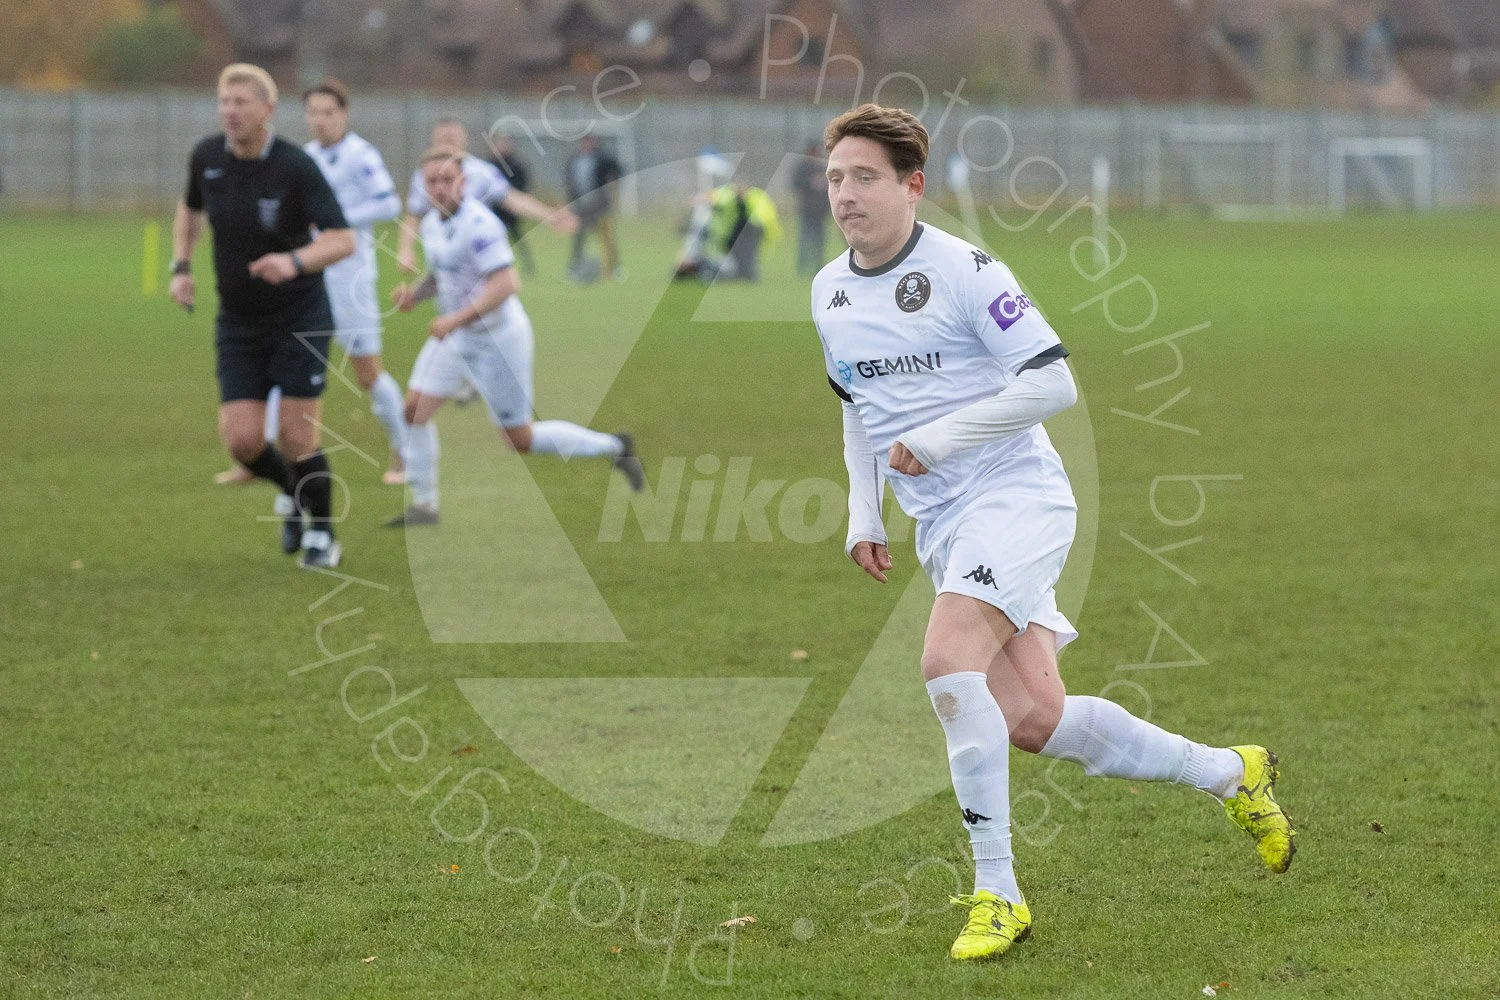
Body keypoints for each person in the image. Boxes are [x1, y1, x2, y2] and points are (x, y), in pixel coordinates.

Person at [810, 104, 1296, 962]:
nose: (845, 193)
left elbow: (1053, 385)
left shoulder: (965, 270)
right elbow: (858, 411)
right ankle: (1230, 772)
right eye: (836, 176)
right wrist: (863, 511)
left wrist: (938, 441)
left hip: (1016, 496)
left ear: (912, 186)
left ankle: (998, 891)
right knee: (1033, 716)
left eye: (865, 177)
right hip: (943, 524)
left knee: (944, 659)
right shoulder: (829, 290)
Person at [386, 147, 645, 527]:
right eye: (432, 181)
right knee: (413, 411)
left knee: (518, 440)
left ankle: (615, 446)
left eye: (447, 179)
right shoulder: (430, 224)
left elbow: (506, 284)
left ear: (462, 182)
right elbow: (442, 276)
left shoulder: (481, 224)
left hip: (499, 340)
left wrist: (454, 320)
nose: (440, 188)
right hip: (457, 338)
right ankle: (425, 505)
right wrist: (415, 296)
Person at [171, 63, 355, 569]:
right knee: (242, 441)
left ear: (268, 110)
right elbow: (189, 209)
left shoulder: (295, 167)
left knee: (298, 437)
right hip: (238, 322)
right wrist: (181, 266)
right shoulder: (207, 157)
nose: (230, 111)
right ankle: (297, 495)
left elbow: (344, 239)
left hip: (301, 316)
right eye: (224, 101)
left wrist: (292, 262)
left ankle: (323, 533)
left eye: (241, 102)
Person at [212, 78, 407, 487]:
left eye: (328, 112)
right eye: (313, 112)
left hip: (350, 278)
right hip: (302, 280)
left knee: (367, 372)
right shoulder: (302, 158)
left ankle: (403, 450)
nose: (319, 121)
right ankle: (258, 458)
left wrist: (335, 214)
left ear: (344, 115)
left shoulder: (360, 154)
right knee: (284, 367)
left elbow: (389, 201)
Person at [396, 117, 574, 276]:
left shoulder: (482, 172)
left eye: (453, 138)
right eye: (444, 139)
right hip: (444, 253)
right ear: (434, 141)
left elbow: (512, 199)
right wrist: (406, 249)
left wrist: (548, 215)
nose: (448, 144)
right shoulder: (423, 177)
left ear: (464, 140)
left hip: (479, 252)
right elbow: (413, 214)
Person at [564, 135, 624, 281]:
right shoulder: (574, 160)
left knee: (606, 236)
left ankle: (614, 268)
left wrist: (610, 187)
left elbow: (618, 169)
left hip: (600, 205)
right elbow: (569, 179)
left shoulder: (602, 158)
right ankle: (574, 267)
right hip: (581, 205)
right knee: (579, 237)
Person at [486, 132, 536, 277]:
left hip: (512, 208)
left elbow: (523, 182)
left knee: (517, 237)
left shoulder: (516, 164)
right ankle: (495, 266)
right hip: (495, 208)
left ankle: (527, 265)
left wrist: (515, 196)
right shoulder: (490, 164)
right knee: (495, 238)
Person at [793, 140, 828, 276]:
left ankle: (818, 265)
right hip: (807, 209)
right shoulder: (802, 167)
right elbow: (796, 184)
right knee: (804, 239)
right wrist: (810, 182)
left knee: (820, 240)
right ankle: (802, 266)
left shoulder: (822, 167)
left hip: (821, 211)